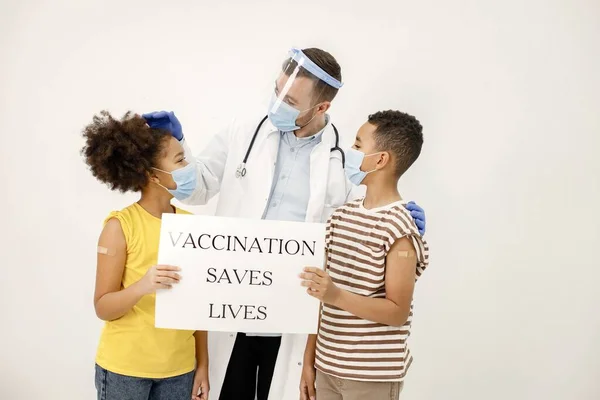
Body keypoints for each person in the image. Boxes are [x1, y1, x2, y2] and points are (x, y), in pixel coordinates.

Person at [142, 47, 427, 400]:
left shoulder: (343, 158)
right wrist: (177, 147)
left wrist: (398, 217)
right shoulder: (243, 131)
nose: (276, 104)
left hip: (292, 310)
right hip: (232, 297)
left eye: (290, 100)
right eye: (277, 91)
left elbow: (363, 222)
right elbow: (197, 188)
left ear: (321, 107)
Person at [299, 110, 429, 400]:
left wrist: (336, 296)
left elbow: (396, 311)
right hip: (327, 368)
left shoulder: (399, 226)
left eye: (358, 145)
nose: (350, 152)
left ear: (381, 159)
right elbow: (319, 297)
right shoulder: (340, 217)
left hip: (371, 378)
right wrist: (308, 362)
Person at [81, 111, 209, 400]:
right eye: (179, 161)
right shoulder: (120, 227)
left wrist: (202, 365)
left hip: (179, 370)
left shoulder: (192, 226)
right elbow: (103, 307)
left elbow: (199, 305)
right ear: (152, 175)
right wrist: (142, 286)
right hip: (126, 371)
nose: (188, 166)